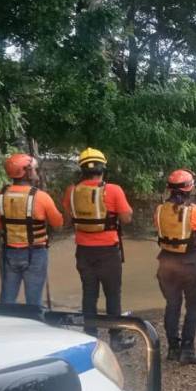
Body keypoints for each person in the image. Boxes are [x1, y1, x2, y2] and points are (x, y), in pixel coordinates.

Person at [62, 148, 134, 351]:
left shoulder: (72, 191)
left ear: (82, 169)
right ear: (103, 167)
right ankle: (116, 338)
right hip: (108, 252)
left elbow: (67, 221)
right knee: (113, 294)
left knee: (89, 294)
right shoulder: (113, 190)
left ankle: (90, 338)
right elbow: (126, 218)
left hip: (84, 251)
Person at [154, 169, 196, 365]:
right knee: (193, 306)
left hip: (166, 264)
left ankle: (173, 349)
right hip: (189, 265)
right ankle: (187, 350)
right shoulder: (195, 212)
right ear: (190, 188)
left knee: (172, 305)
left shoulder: (159, 210)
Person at [0, 153, 64, 306]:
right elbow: (58, 223)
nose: (36, 172)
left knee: (7, 299)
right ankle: (34, 325)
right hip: (35, 253)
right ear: (27, 172)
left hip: (8, 253)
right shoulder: (42, 197)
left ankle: (6, 324)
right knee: (34, 301)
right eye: (35, 169)